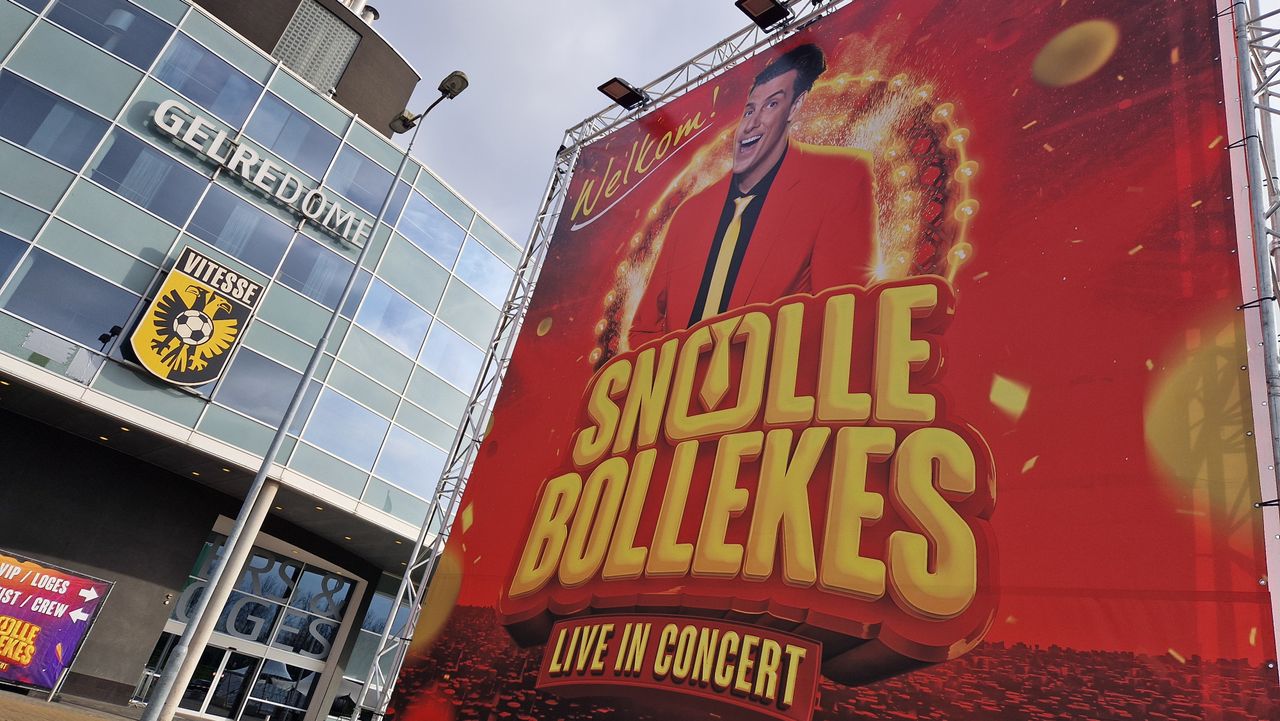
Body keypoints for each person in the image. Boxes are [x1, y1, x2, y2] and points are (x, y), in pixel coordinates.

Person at [628, 43, 877, 348]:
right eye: (750, 109)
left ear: (795, 108)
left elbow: (843, 316)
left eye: (772, 104)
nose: (752, 123)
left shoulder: (840, 175)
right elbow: (643, 329)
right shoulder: (690, 212)